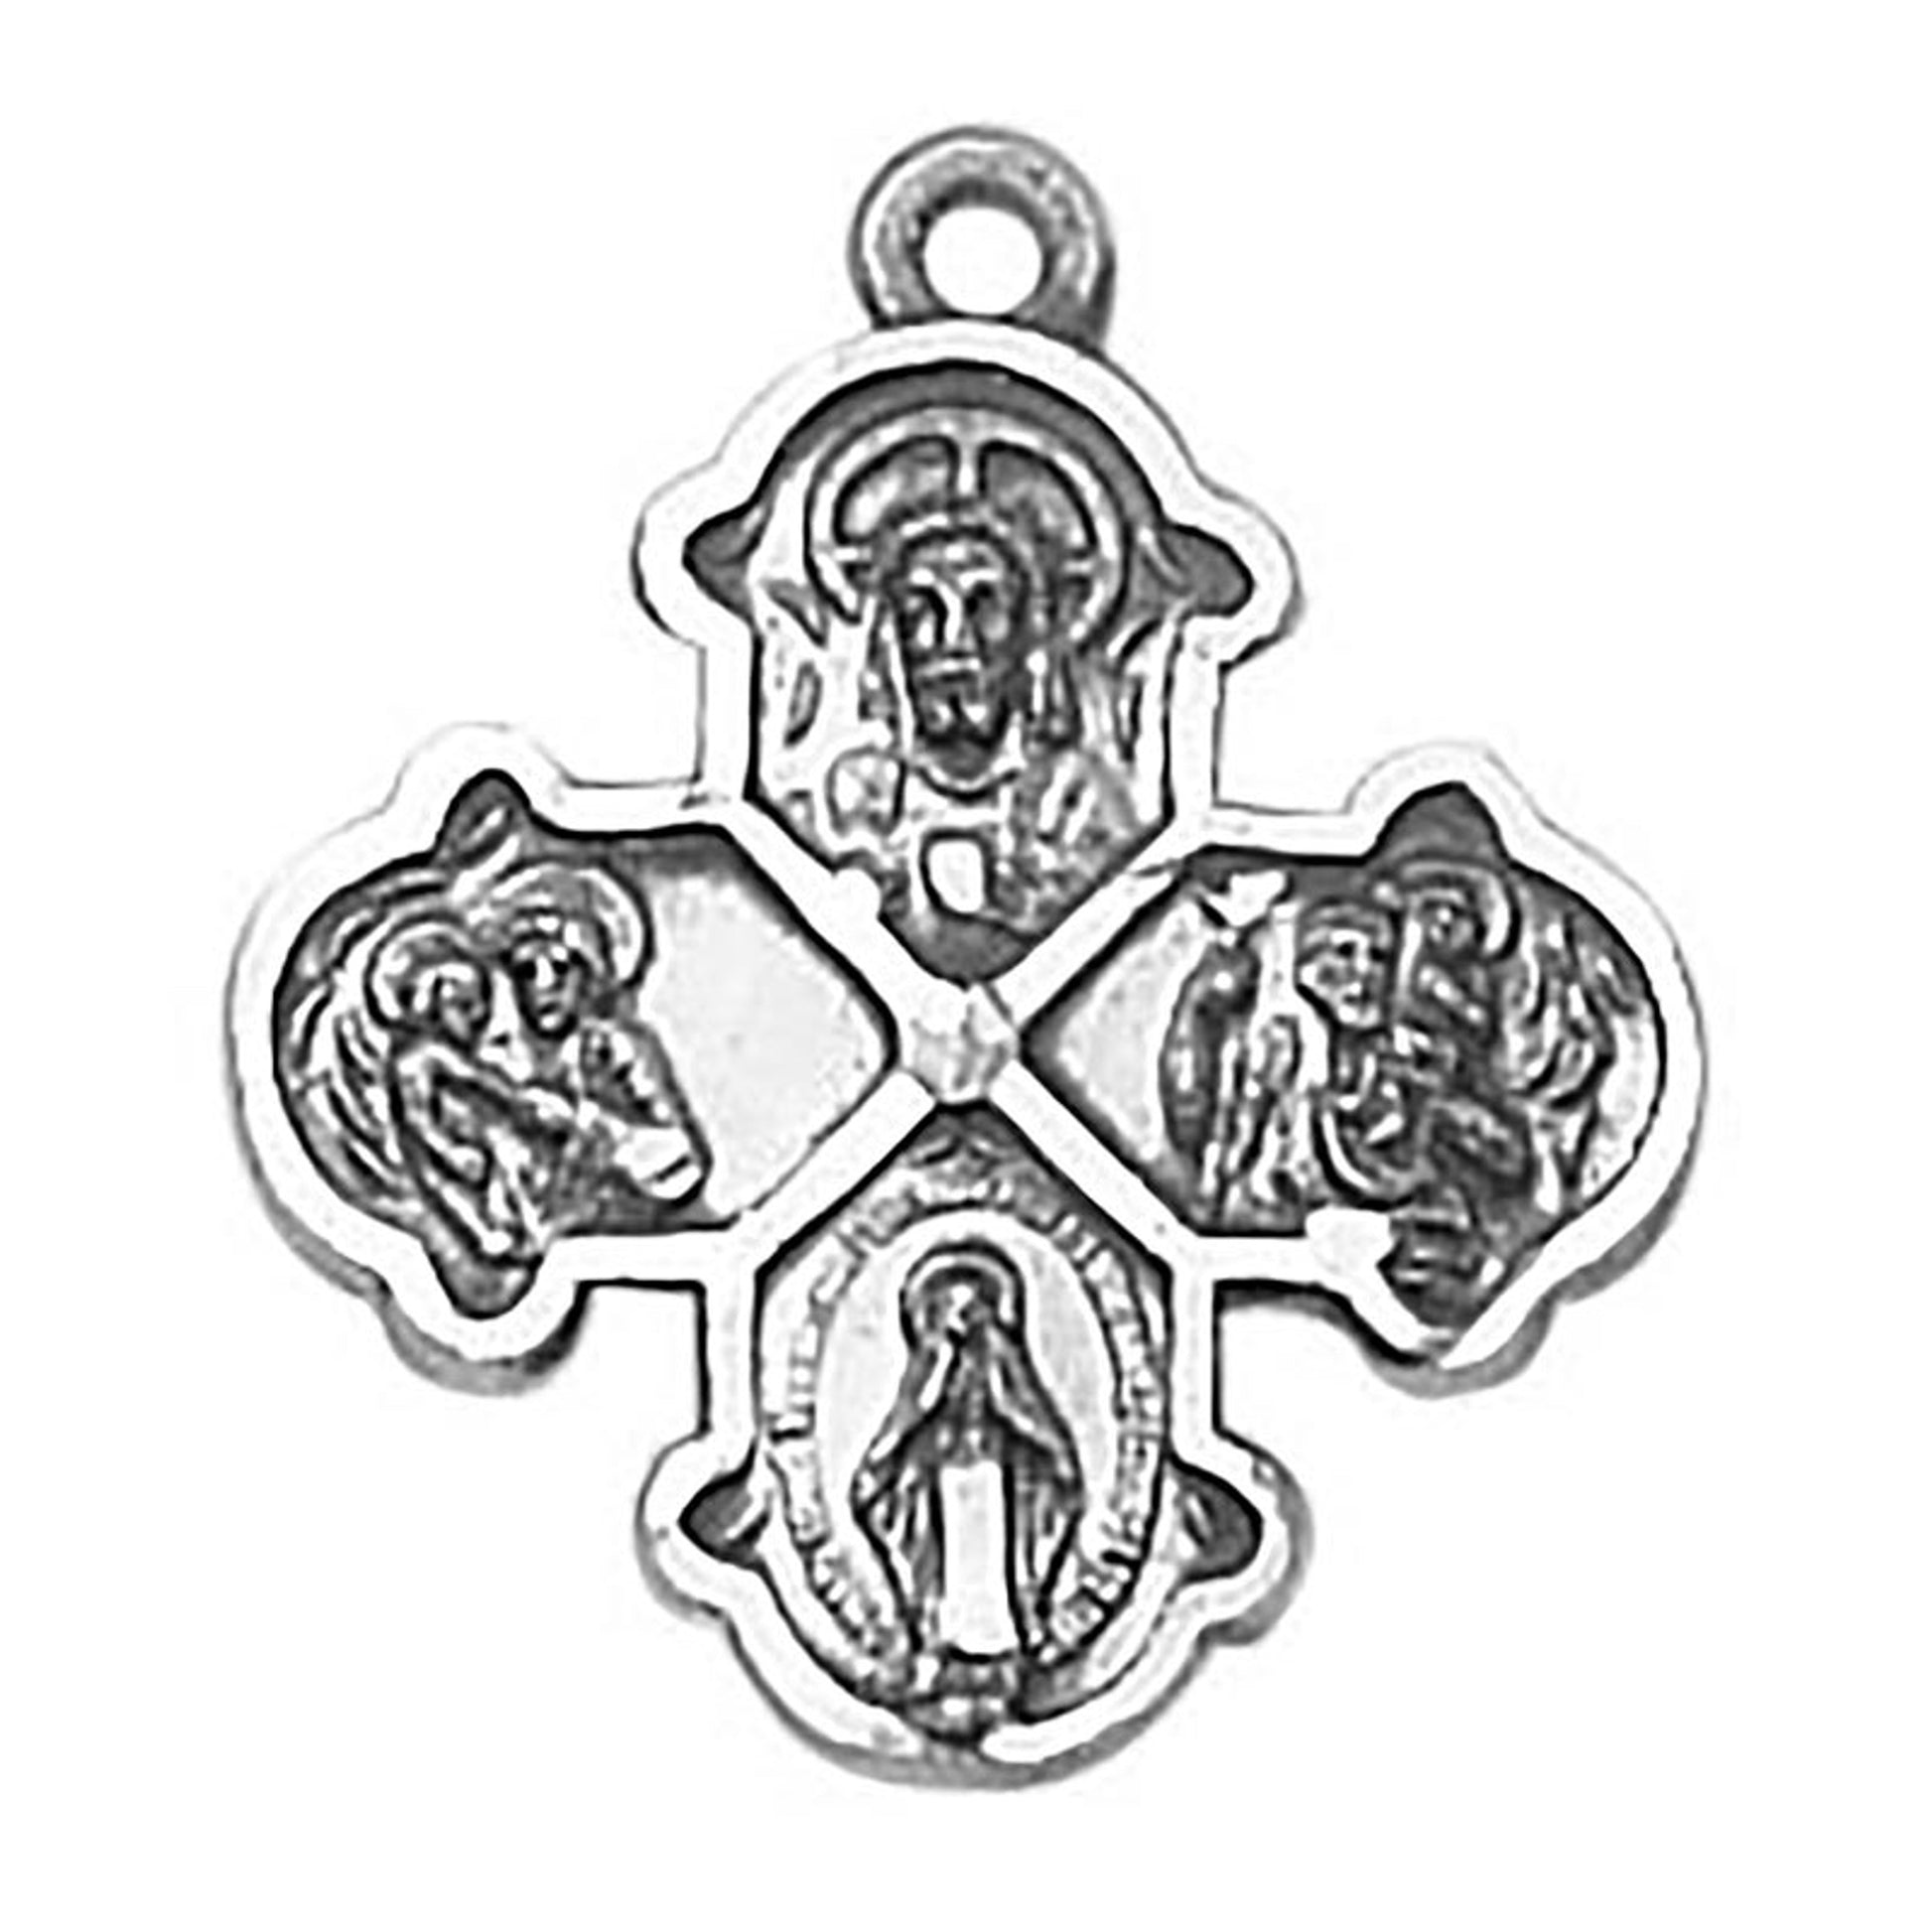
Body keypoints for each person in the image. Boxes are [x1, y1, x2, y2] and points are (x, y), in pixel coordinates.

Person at [851, 1243, 1083, 1663]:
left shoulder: (1002, 1368)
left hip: (994, 1476)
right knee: (952, 1566)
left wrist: (1053, 1458)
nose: (962, 1323)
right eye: (951, 1312)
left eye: (971, 1311)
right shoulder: (929, 1374)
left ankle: (1012, 1630)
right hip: (945, 1477)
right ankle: (935, 1632)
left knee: (992, 1564)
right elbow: (901, 1431)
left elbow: (1031, 1422)